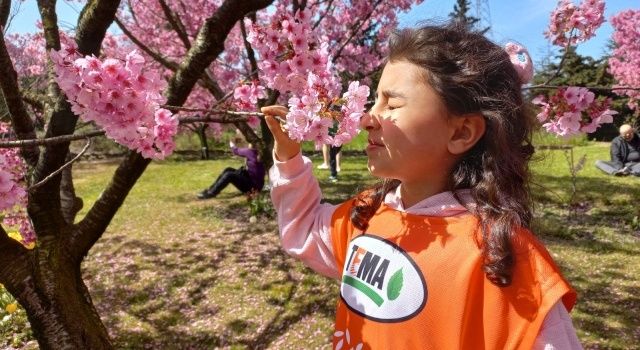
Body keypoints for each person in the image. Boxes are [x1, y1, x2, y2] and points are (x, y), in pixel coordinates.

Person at [262, 22, 581, 350]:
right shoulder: (367, 214)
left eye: (392, 104)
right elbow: (305, 230)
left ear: (461, 132)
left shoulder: (504, 258)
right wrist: (288, 157)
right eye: (375, 101)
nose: (366, 118)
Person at [197, 137, 265, 199]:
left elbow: (236, 150)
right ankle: (211, 189)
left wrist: (231, 142)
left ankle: (211, 193)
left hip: (252, 188)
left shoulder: (251, 152)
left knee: (229, 174)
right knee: (228, 169)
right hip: (256, 185)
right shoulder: (262, 153)